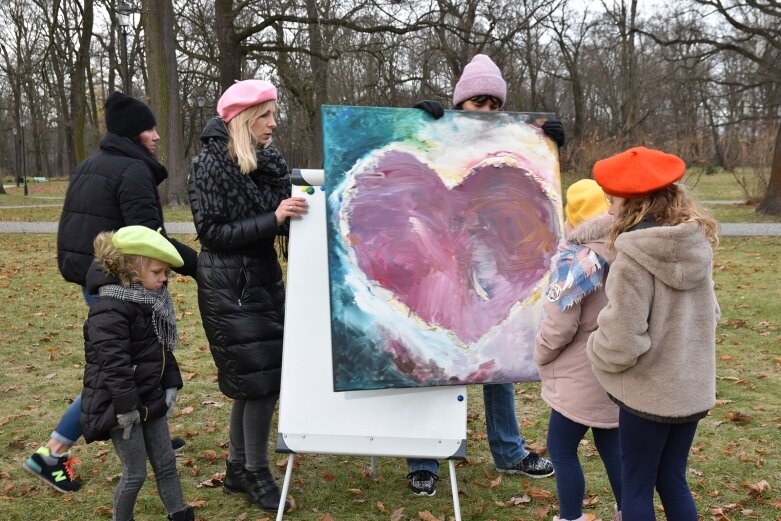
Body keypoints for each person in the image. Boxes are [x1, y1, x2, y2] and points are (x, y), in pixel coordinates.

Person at [24, 91, 197, 493]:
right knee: (115, 372)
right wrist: (199, 267)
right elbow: (152, 240)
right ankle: (51, 453)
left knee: (132, 361)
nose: (156, 136)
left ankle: (149, 431)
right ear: (134, 133)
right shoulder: (133, 172)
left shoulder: (90, 165)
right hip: (120, 285)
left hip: (94, 277)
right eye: (149, 129)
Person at [408, 54, 561, 497]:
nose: (487, 112)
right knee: (436, 355)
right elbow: (419, 167)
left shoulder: (510, 139)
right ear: (461, 103)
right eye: (478, 103)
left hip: (494, 255)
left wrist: (548, 147)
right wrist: (421, 122)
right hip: (439, 253)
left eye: (495, 104)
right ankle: (424, 457)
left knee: (499, 349)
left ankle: (508, 450)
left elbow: (529, 186)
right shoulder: (440, 129)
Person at [188, 79, 306, 512]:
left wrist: (293, 213)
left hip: (261, 280)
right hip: (229, 287)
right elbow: (212, 233)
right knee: (260, 384)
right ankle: (257, 473)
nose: (273, 124)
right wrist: (273, 218)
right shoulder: (209, 166)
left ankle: (238, 467)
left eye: (274, 115)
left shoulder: (267, 162)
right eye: (266, 117)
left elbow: (281, 213)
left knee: (251, 383)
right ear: (244, 120)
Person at [587, 147, 719, 521]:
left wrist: (594, 346)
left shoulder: (632, 257)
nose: (608, 208)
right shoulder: (696, 244)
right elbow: (711, 312)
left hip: (648, 394)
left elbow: (622, 341)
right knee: (673, 479)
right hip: (690, 391)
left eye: (611, 199)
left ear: (631, 202)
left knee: (637, 485)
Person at [80, 226, 192, 521]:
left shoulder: (148, 303)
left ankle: (179, 514)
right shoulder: (109, 310)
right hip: (120, 407)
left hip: (148, 398)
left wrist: (170, 385)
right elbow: (114, 367)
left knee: (166, 462)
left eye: (165, 272)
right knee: (135, 473)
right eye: (157, 272)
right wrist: (128, 409)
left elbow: (161, 350)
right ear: (131, 268)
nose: (164, 278)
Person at [535, 179, 622, 521]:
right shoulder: (625, 247)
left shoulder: (576, 262)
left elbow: (560, 325)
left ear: (571, 218)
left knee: (561, 448)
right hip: (614, 367)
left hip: (577, 373)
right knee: (611, 444)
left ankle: (571, 517)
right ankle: (630, 511)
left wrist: (541, 354)